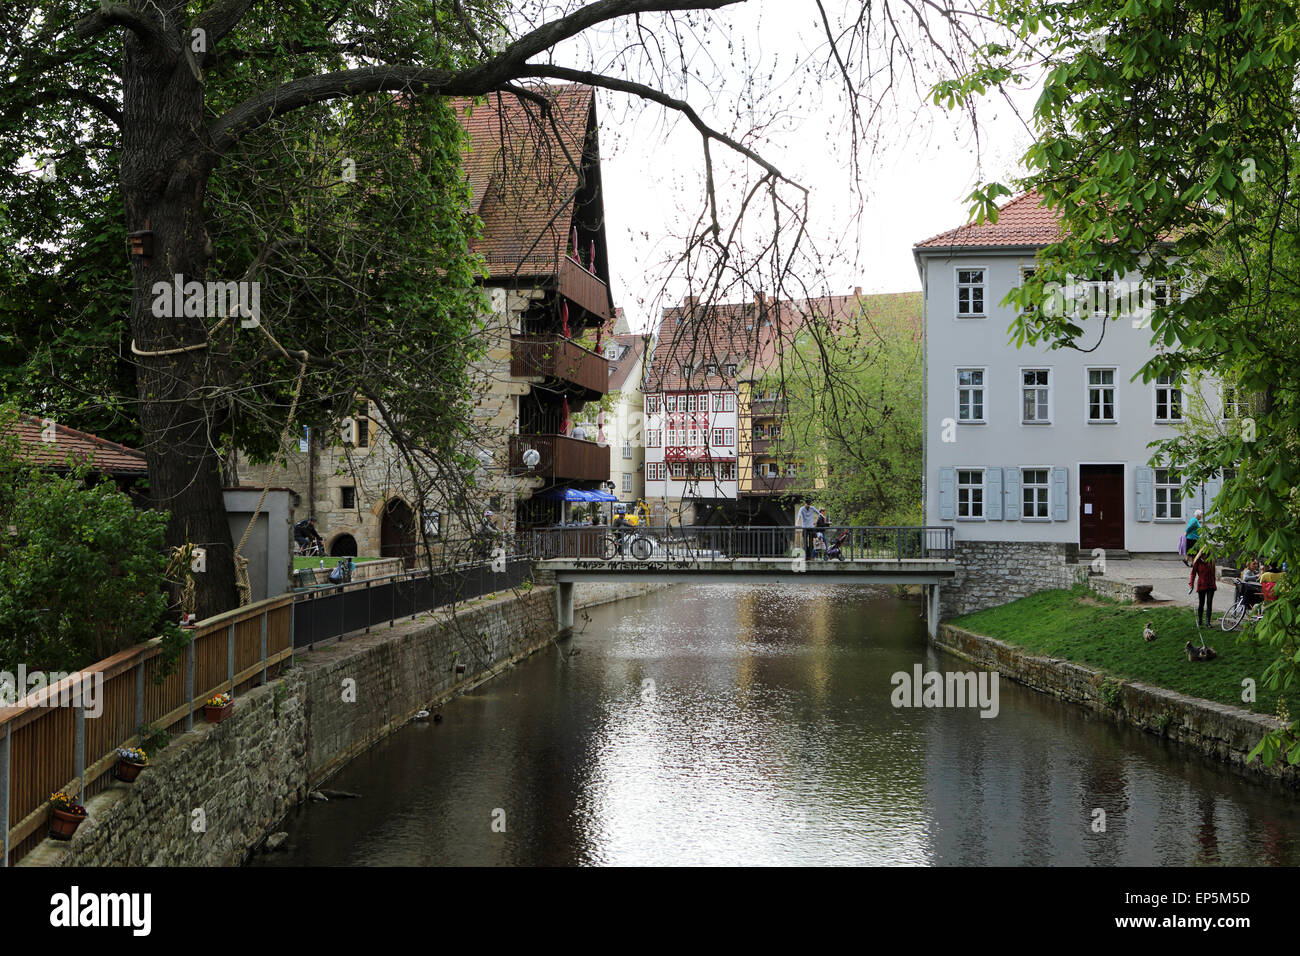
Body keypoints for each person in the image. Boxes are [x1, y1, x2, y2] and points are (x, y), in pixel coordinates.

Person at [1190, 548, 1216, 627]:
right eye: (1204, 554)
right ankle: (1200, 620)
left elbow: (1213, 573)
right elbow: (1193, 574)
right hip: (1202, 585)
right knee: (1201, 604)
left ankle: (1208, 622)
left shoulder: (1211, 561)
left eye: (1207, 554)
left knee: (1209, 603)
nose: (1205, 556)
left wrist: (1214, 582)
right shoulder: (1197, 562)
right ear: (1201, 554)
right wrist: (1191, 585)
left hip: (1211, 585)